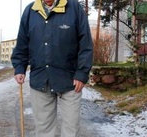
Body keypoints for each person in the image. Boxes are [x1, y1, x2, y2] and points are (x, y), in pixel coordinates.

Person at [11, 0, 93, 136]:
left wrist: (82, 73)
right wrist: (20, 67)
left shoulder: (74, 8)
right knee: (44, 130)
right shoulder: (30, 11)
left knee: (71, 130)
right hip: (40, 79)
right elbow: (22, 43)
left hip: (70, 80)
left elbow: (86, 44)